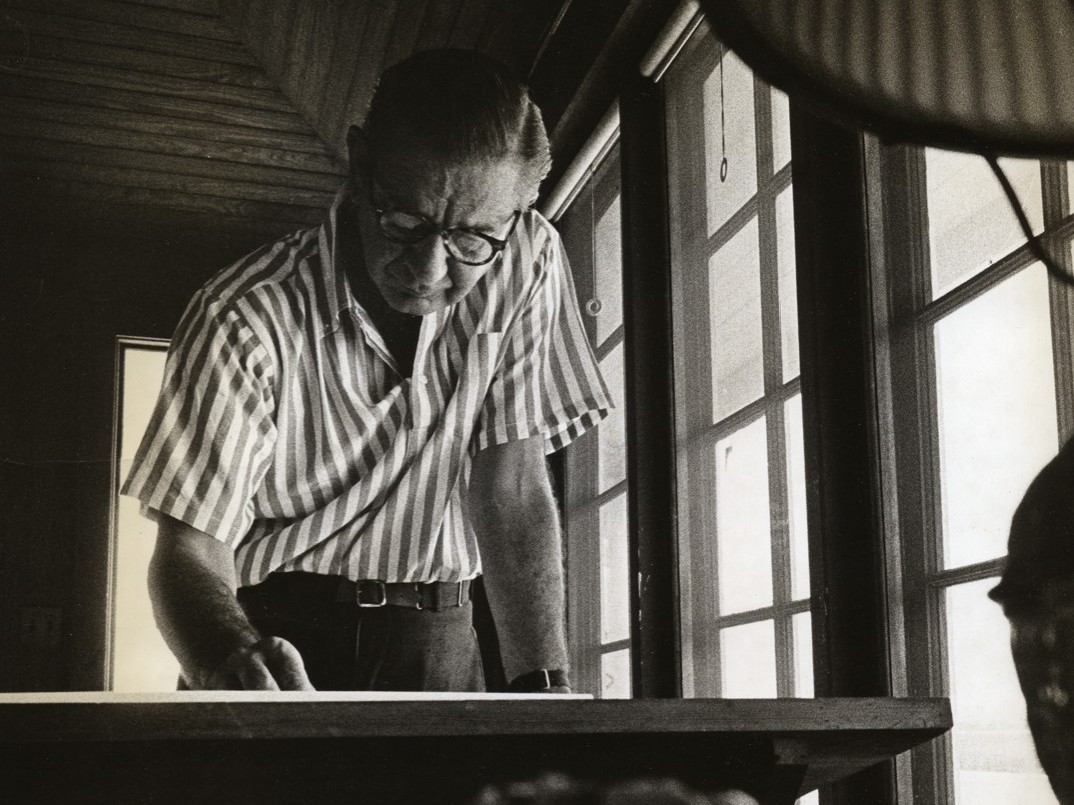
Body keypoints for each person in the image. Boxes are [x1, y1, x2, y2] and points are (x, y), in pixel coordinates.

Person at [121, 49, 611, 694]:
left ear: (514, 217)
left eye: (471, 241)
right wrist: (229, 655)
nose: (432, 270)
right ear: (360, 166)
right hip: (273, 628)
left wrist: (545, 689)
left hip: (443, 629)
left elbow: (511, 488)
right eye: (405, 223)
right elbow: (189, 549)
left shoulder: (526, 258)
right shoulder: (243, 314)